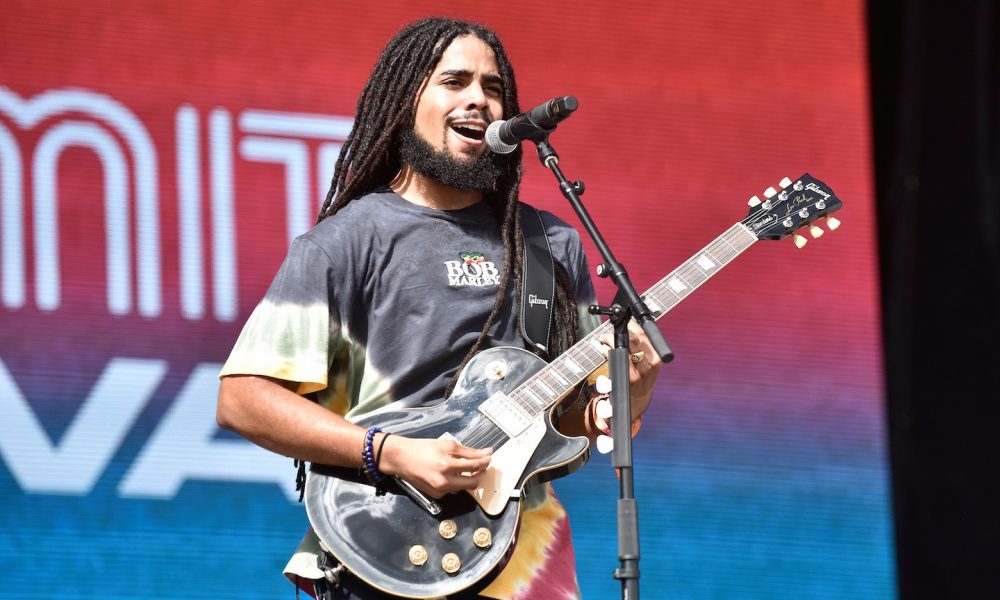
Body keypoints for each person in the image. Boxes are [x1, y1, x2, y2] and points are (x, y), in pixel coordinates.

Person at [216, 17, 661, 600]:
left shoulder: (550, 245)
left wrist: (635, 386)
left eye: (493, 87)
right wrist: (391, 452)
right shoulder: (345, 242)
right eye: (454, 81)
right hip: (382, 551)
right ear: (406, 102)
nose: (479, 98)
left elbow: (573, 421)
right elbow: (242, 399)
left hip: (524, 564)